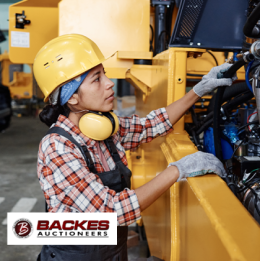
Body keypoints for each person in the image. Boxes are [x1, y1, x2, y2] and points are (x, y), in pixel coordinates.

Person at [34, 34, 235, 261]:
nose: (109, 83)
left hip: (112, 252)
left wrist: (199, 90)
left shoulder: (104, 127)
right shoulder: (58, 147)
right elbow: (111, 211)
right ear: (71, 97)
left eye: (105, 74)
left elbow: (152, 124)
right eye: (96, 79)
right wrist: (178, 170)